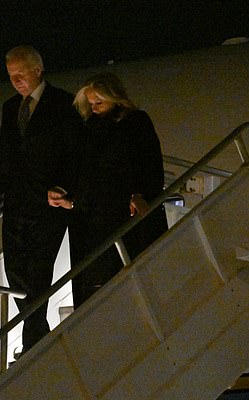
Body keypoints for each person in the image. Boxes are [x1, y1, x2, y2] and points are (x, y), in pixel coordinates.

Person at [0, 45, 83, 355]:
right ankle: (41, 333)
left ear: (38, 70)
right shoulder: (10, 108)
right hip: (17, 203)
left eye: (21, 74)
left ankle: (32, 344)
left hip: (49, 206)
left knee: (38, 273)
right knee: (16, 275)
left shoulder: (64, 104)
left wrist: (66, 189)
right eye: (12, 76)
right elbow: (4, 159)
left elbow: (75, 153)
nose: (17, 81)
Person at [48, 72, 168, 308]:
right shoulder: (89, 129)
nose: (94, 109)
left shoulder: (135, 122)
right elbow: (88, 175)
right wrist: (72, 201)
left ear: (114, 98)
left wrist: (140, 193)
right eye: (91, 104)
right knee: (98, 283)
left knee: (124, 278)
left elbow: (150, 163)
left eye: (99, 103)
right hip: (95, 220)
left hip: (123, 214)